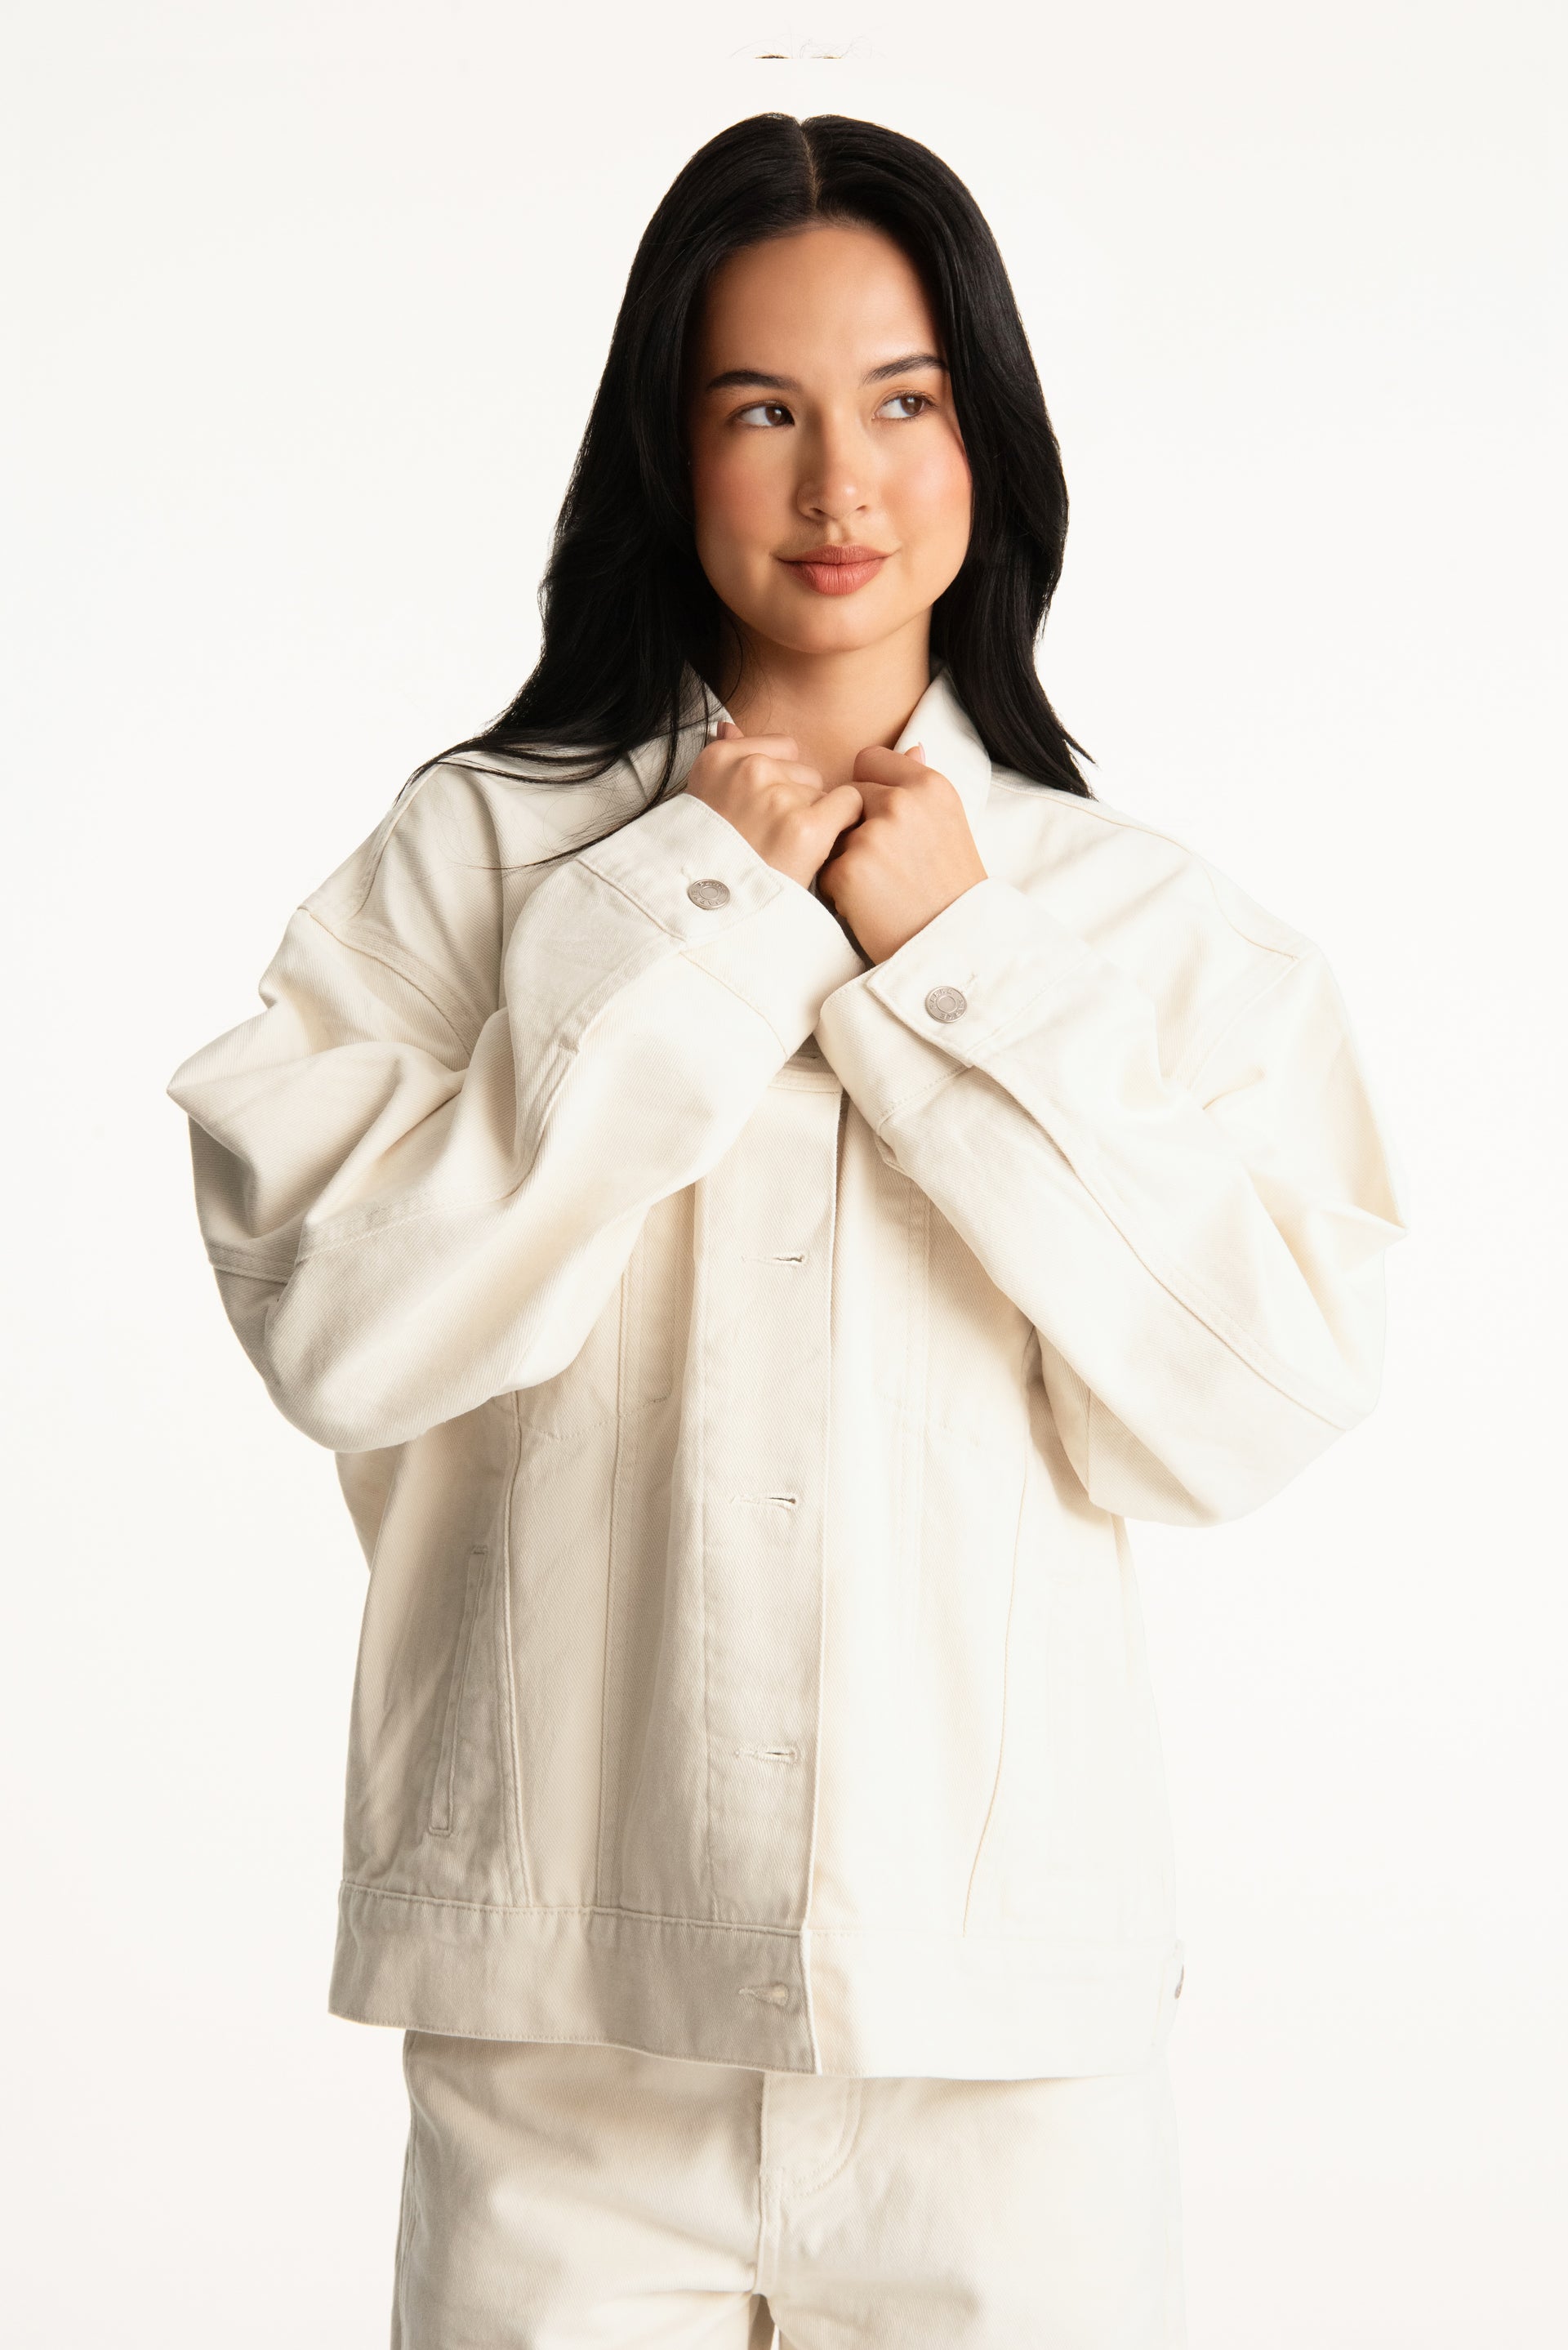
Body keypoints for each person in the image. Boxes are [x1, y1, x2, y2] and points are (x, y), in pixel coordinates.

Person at [166, 110, 1408, 2350]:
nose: (840, 486)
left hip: (1003, 2059)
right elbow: (340, 1328)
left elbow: (1255, 1397)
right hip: (565, 2036)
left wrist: (962, 972)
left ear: (986, 441)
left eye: (902, 404)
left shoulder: (1140, 932)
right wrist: (702, 931)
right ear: (669, 447)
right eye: (763, 409)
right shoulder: (477, 874)